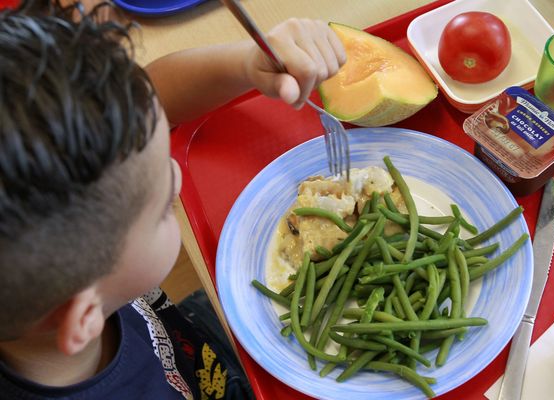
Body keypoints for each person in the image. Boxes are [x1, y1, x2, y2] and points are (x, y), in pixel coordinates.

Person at [0, 3, 345, 399]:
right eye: (164, 207)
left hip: (187, 338)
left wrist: (248, 63)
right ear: (83, 317)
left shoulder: (57, 281)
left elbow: (152, 97)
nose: (177, 176)